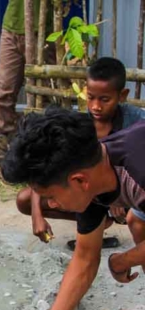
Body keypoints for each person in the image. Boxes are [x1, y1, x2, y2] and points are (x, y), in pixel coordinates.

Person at [0, 108, 145, 310]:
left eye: (51, 197)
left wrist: (123, 260)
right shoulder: (94, 178)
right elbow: (84, 259)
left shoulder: (139, 168)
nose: (51, 206)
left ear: (79, 181)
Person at [15, 57, 145, 243]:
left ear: (122, 95)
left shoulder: (137, 124)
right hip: (96, 194)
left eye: (104, 99)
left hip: (131, 197)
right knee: (25, 199)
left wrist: (123, 260)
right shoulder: (77, 127)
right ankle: (96, 224)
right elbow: (48, 169)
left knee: (136, 221)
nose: (95, 106)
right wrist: (38, 214)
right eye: (91, 97)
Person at [0, 0, 54, 167]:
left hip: (43, 29)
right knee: (4, 89)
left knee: (44, 92)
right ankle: (1, 143)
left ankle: (42, 146)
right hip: (12, 27)